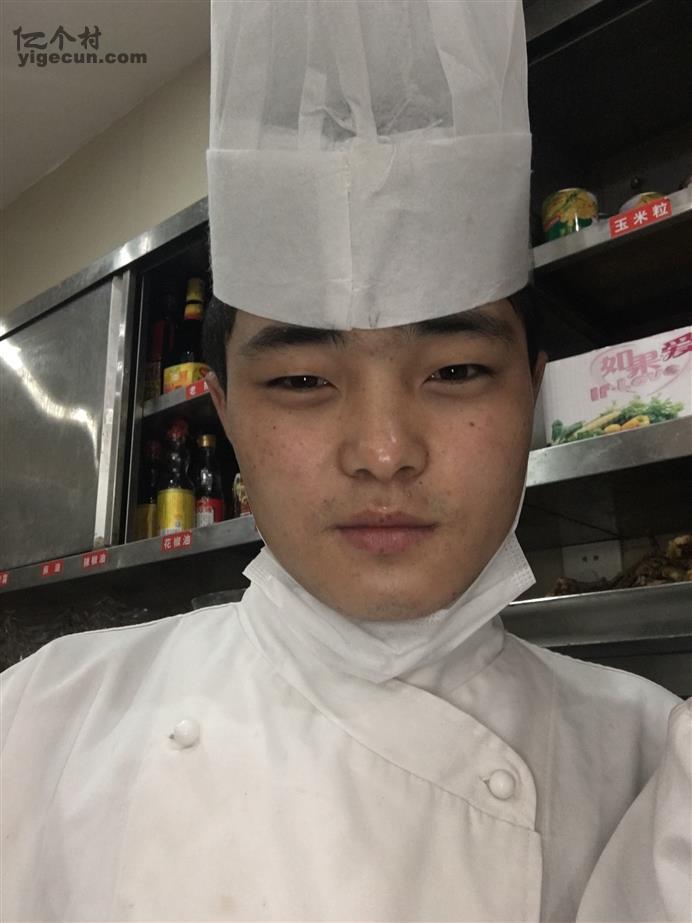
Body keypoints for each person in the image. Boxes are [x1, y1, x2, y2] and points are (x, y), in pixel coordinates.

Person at [1, 2, 690, 921]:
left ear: (531, 395)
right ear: (226, 416)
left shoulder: (654, 767)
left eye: (454, 370)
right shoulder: (40, 725)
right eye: (300, 380)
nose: (383, 452)